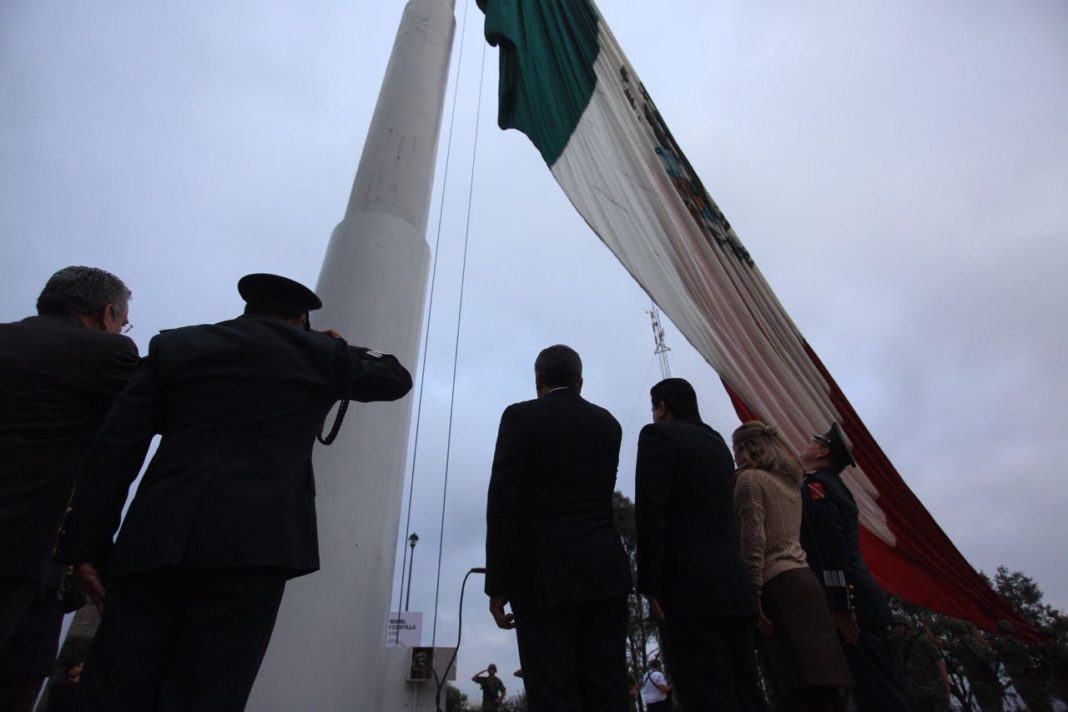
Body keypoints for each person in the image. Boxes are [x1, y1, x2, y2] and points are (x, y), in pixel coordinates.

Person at [53, 273, 413, 711]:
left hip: (155, 539)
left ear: (248, 308)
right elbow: (395, 376)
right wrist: (331, 345)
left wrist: (86, 545)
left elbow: (114, 450)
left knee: (117, 685)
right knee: (212, 688)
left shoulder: (175, 347)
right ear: (300, 317)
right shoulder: (320, 354)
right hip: (255, 548)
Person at [0, 266, 138, 708]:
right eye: (123, 321)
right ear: (107, 312)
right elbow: (160, 402)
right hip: (15, 540)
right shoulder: (106, 353)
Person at [484, 344, 631, 711]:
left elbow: (503, 503)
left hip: (543, 575)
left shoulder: (520, 418)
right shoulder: (608, 424)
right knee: (607, 687)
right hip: (605, 572)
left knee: (553, 690)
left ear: (538, 380)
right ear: (580, 382)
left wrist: (498, 583)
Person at [635, 378, 766, 711]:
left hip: (689, 590)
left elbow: (652, 509)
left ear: (662, 407)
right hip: (733, 587)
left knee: (705, 692)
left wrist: (649, 582)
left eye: (655, 407)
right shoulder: (717, 442)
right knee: (747, 690)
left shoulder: (658, 436)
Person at [732, 420, 852, 712]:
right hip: (806, 582)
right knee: (825, 686)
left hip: (777, 586)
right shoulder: (790, 482)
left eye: (735, 447)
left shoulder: (749, 481)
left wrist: (754, 589)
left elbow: (754, 538)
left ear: (745, 448)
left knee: (795, 686)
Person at [799, 422, 913, 711]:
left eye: (815, 441)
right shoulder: (834, 486)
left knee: (876, 690)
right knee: (884, 684)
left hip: (852, 603)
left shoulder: (816, 485)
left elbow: (831, 549)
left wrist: (840, 605)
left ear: (823, 451)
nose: (808, 443)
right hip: (862, 596)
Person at [890, 618, 950, 712]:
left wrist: (947, 688)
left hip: (934, 692)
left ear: (906, 627)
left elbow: (939, 663)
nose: (896, 629)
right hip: (916, 695)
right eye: (894, 627)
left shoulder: (921, 641)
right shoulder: (898, 645)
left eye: (899, 626)